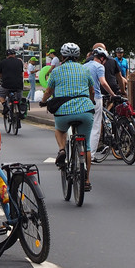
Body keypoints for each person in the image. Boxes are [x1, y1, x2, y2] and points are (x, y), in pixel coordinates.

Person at [40, 42, 96, 190]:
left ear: (62, 56)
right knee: (87, 145)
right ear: (78, 56)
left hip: (64, 111)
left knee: (59, 130)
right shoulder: (85, 70)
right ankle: (87, 180)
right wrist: (91, 101)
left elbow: (48, 91)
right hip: (85, 110)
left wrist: (43, 101)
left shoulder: (56, 72)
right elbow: (92, 91)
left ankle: (62, 150)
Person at [85, 47, 116, 158]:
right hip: (96, 98)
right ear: (102, 58)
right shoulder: (99, 67)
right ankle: (91, 155)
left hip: (83, 98)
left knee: (85, 126)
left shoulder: (84, 66)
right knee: (96, 127)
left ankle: (81, 149)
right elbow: (103, 83)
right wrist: (113, 94)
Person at [0, 48, 25, 116]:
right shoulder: (19, 62)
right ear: (14, 55)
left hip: (6, 85)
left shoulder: (3, 62)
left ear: (7, 55)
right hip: (18, 85)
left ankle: (5, 106)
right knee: (19, 98)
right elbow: (21, 74)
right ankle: (21, 110)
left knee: (0, 93)